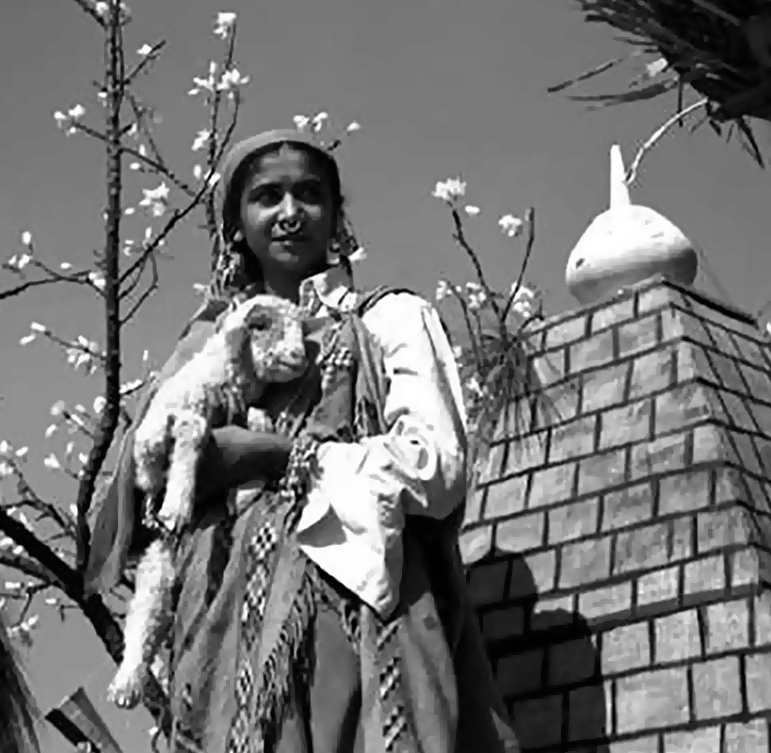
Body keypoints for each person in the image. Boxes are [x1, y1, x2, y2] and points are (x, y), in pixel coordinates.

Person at [85, 128, 520, 753]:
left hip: (354, 608)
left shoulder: (385, 319)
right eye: (268, 196)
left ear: (336, 216)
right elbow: (146, 492)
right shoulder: (203, 350)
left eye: (309, 195)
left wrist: (280, 456)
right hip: (217, 629)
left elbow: (436, 470)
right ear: (237, 224)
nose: (290, 213)